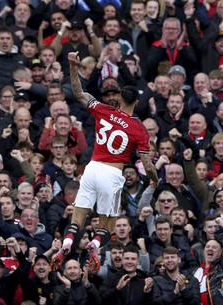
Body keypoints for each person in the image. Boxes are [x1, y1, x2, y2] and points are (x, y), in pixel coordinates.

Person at [50, 51, 158, 273]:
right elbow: (147, 165)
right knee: (109, 226)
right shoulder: (139, 129)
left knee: (78, 215)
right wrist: (155, 179)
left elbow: (78, 92)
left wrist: (72, 66)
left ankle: (68, 242)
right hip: (112, 173)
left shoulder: (103, 109)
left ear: (118, 99)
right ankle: (95, 246)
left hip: (92, 168)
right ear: (136, 102)